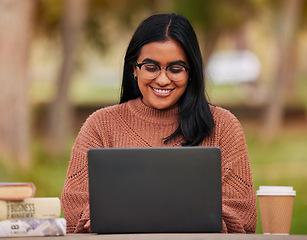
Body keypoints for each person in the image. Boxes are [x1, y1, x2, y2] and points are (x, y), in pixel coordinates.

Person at [61, 13, 257, 234]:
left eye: (175, 69)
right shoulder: (100, 125)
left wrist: (132, 212)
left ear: (191, 72)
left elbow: (243, 217)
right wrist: (94, 214)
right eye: (151, 67)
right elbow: (73, 211)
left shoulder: (223, 126)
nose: (163, 80)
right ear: (134, 69)